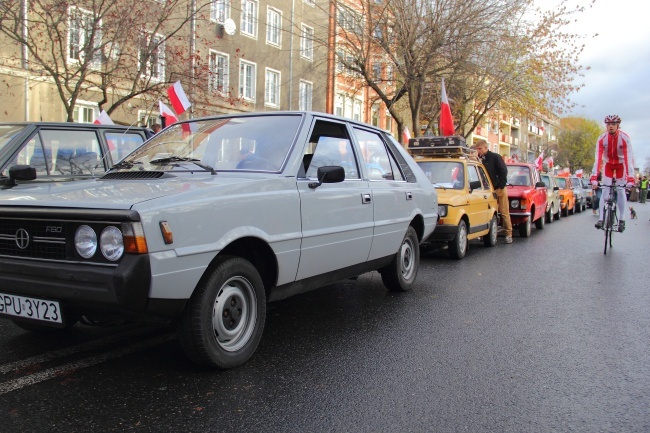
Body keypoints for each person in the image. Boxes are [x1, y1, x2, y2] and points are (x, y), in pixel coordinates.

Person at [591, 114, 635, 232]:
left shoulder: (625, 138)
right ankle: (601, 219)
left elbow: (628, 159)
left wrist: (630, 179)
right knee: (604, 190)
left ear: (618, 126)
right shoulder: (601, 139)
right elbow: (598, 159)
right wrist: (594, 177)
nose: (610, 127)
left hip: (621, 165)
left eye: (613, 124)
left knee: (620, 190)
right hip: (608, 165)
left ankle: (621, 219)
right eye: (608, 124)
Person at [474, 139, 512, 243]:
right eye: (477, 149)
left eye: (480, 148)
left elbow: (503, 171)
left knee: (504, 212)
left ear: (486, 148)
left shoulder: (495, 157)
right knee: (489, 213)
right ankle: (486, 234)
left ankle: (508, 234)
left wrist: (501, 186)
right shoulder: (480, 159)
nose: (478, 151)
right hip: (488, 190)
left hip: (499, 188)